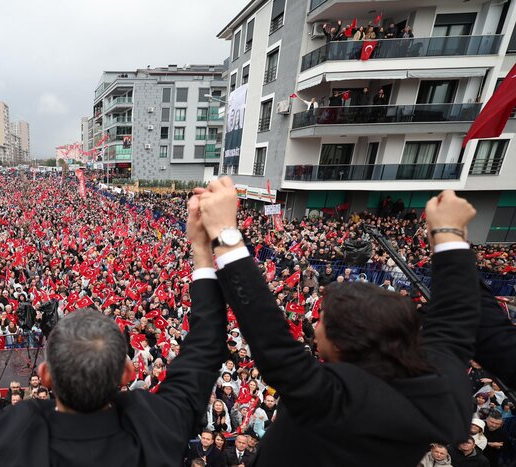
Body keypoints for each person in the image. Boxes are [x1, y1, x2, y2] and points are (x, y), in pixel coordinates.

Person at [0, 196, 229, 466]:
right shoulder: (157, 425)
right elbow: (207, 344)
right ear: (128, 371)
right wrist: (206, 247)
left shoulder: (9, 436)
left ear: (45, 375)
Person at [197, 178, 481, 466]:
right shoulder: (438, 396)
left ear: (340, 343)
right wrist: (449, 235)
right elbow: (454, 322)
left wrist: (222, 231)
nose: (315, 326)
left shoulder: (331, 400)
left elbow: (265, 327)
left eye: (322, 321)